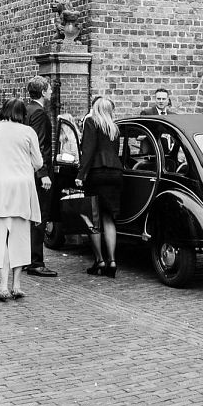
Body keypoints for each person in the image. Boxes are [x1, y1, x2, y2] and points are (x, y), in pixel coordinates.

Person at [0, 98, 45, 301]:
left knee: (2, 238)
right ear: (22, 114)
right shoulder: (28, 132)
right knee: (21, 237)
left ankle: (2, 286)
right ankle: (16, 285)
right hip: (22, 187)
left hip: (0, 187)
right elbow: (39, 161)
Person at [77, 96, 123, 276]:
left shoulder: (91, 122)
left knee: (93, 219)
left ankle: (99, 261)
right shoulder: (114, 127)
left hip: (97, 173)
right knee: (109, 218)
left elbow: (88, 151)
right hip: (115, 173)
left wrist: (81, 175)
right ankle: (112, 261)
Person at [22, 76, 59, 278]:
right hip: (36, 174)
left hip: (24, 171)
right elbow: (39, 146)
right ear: (43, 92)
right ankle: (35, 261)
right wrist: (43, 173)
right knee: (39, 216)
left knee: (28, 216)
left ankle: (26, 258)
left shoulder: (25, 111)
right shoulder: (39, 114)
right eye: (50, 90)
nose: (51, 93)